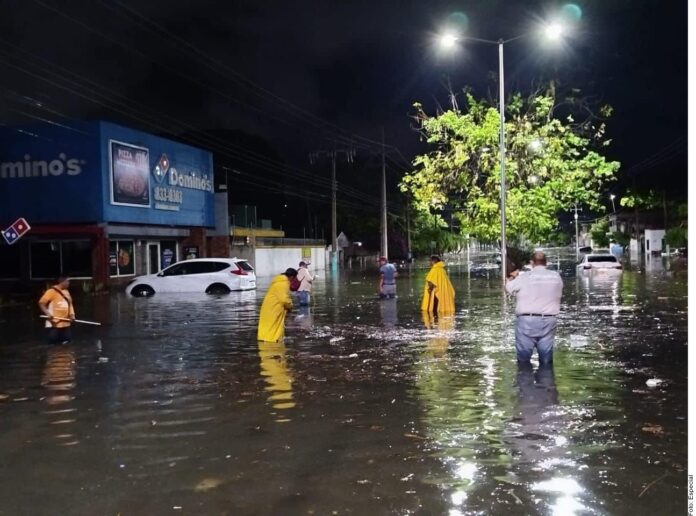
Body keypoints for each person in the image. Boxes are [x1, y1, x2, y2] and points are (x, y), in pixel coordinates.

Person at [505, 251, 563, 364]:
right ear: (546, 263)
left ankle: (525, 379)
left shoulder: (524, 277)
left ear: (532, 263)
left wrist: (510, 279)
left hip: (527, 321)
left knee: (524, 360)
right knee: (546, 360)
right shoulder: (556, 277)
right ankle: (546, 380)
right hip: (549, 321)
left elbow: (508, 289)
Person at [257, 268, 297, 343]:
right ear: (291, 277)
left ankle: (265, 340)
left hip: (269, 308)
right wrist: (291, 306)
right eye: (294, 279)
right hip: (274, 310)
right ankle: (272, 343)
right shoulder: (283, 283)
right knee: (273, 328)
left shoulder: (278, 282)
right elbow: (284, 299)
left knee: (268, 326)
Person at [38, 276, 75, 344]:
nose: (69, 283)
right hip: (55, 323)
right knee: (54, 344)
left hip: (66, 323)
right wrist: (48, 314)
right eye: (67, 281)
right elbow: (41, 303)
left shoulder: (66, 292)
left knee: (67, 343)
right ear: (62, 282)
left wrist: (72, 315)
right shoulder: (51, 291)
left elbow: (70, 304)